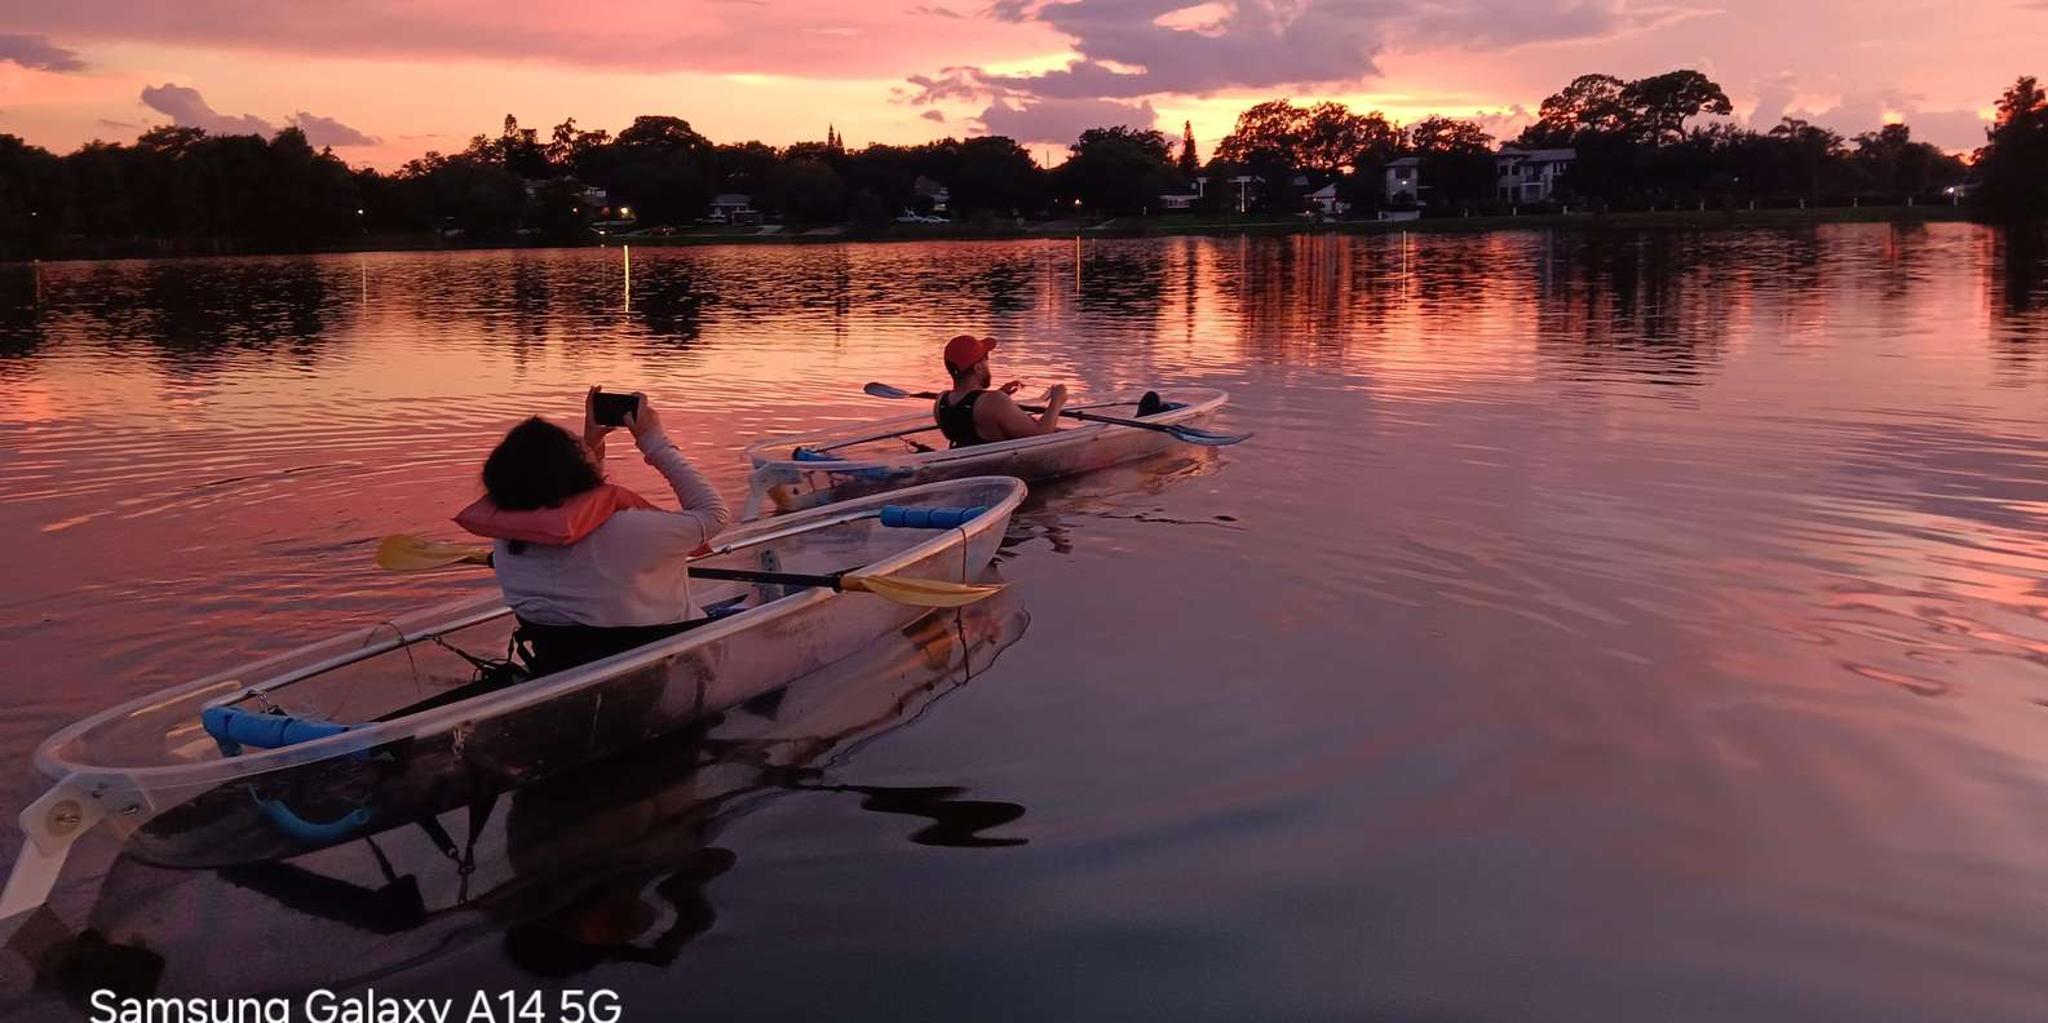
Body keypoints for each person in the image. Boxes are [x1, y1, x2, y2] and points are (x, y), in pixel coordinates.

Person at [456, 388, 731, 677]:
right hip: (669, 672)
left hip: (566, 672)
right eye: (576, 448)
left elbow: (575, 514)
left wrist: (590, 448)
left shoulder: (507, 542)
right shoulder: (631, 531)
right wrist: (654, 442)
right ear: (573, 469)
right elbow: (714, 514)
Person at [932, 334, 1068, 448]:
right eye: (986, 358)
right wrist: (1057, 400)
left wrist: (1001, 393)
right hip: (1001, 471)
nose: (988, 364)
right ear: (978, 367)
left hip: (966, 468)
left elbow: (968, 414)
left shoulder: (941, 401)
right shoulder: (994, 401)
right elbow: (1040, 436)